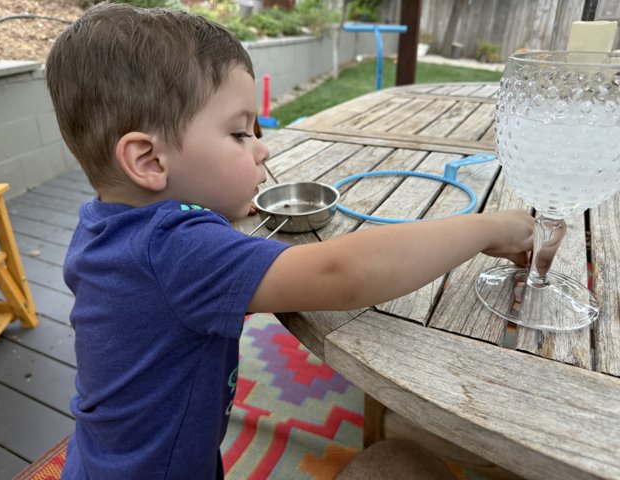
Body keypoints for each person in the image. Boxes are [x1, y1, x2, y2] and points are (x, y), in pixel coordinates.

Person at [45, 3, 533, 479]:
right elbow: (341, 275)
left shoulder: (106, 228)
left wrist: (219, 207)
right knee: (402, 463)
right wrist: (486, 228)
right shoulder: (176, 250)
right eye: (239, 133)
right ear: (149, 162)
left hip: (101, 461)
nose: (262, 147)